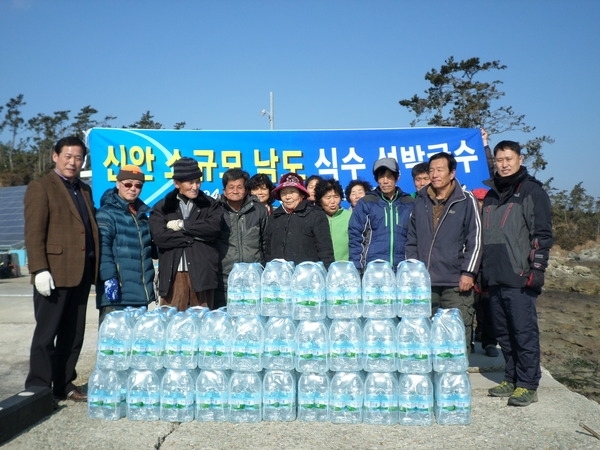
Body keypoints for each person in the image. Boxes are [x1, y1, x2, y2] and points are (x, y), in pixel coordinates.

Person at [24, 136, 99, 402]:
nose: (73, 162)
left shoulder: (84, 190)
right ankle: (38, 389)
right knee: (46, 335)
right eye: (68, 156)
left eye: (78, 157)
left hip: (80, 273)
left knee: (73, 335)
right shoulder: (41, 187)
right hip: (53, 274)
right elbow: (34, 233)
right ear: (55, 156)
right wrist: (39, 269)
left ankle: (64, 384)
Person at [483, 140, 553, 407]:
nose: (504, 164)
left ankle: (528, 384)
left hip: (520, 274)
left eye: (508, 159)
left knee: (524, 333)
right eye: (499, 160)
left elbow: (542, 234)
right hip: (495, 275)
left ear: (520, 159)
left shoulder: (531, 191)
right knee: (504, 333)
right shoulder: (491, 195)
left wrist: (537, 269)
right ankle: (511, 377)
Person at [405, 152, 482, 354]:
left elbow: (476, 239)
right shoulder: (420, 200)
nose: (434, 174)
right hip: (425, 282)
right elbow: (412, 239)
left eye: (440, 170)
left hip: (455, 282)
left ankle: (455, 382)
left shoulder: (466, 200)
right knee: (424, 333)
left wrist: (468, 272)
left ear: (452, 173)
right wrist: (413, 272)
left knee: (455, 335)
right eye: (431, 170)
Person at [149, 157, 223, 311]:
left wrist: (182, 225)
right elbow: (160, 237)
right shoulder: (163, 207)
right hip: (173, 274)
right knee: (172, 324)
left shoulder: (210, 204)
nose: (195, 187)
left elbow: (213, 229)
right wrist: (194, 235)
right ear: (177, 183)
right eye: (190, 182)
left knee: (202, 322)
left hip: (202, 274)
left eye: (197, 181)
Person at [95, 165, 156, 324]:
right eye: (128, 184)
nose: (133, 189)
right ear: (118, 184)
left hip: (140, 297)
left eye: (138, 185)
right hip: (116, 296)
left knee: (137, 347)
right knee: (113, 346)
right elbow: (103, 249)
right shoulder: (106, 213)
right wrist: (109, 278)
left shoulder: (143, 216)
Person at [348, 157, 414, 273]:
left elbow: (416, 238)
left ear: (397, 177)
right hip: (374, 270)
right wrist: (357, 268)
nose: (385, 181)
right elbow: (356, 237)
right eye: (381, 176)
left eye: (389, 176)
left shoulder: (408, 203)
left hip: (403, 270)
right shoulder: (367, 202)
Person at [214, 168, 268, 308]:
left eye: (239, 187)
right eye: (231, 187)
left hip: (254, 278)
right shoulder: (216, 210)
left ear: (246, 189)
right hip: (225, 279)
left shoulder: (258, 209)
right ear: (224, 190)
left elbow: (266, 242)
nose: (235, 191)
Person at [264, 172, 334, 267]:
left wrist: (327, 272)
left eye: (292, 192)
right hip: (279, 274)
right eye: (284, 193)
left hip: (308, 275)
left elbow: (325, 250)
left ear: (302, 194)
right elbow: (267, 249)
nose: (288, 197)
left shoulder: (315, 215)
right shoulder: (274, 217)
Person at [471, 187, 499, 357]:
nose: (480, 205)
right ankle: (469, 343)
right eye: (478, 201)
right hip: (471, 272)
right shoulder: (466, 219)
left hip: (490, 271)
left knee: (490, 310)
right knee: (468, 310)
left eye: (483, 201)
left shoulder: (495, 221)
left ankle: (489, 343)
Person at [314, 178, 351, 261]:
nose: (333, 201)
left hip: (346, 267)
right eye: (328, 197)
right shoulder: (314, 218)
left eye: (336, 197)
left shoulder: (350, 216)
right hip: (321, 268)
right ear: (320, 200)